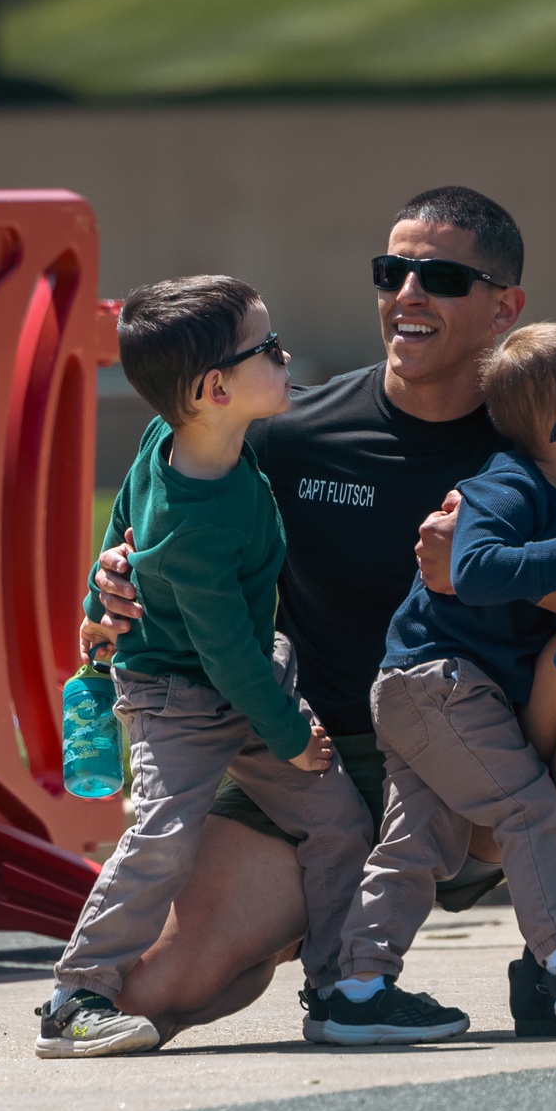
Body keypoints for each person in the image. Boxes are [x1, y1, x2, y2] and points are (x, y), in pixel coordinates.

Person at [93, 187, 556, 1043]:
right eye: (393, 271)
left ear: (504, 307)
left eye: (443, 277)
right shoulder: (289, 430)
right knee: (164, 989)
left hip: (489, 760)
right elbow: (162, 513)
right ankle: (331, 938)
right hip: (319, 768)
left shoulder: (548, 439)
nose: (408, 294)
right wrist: (119, 575)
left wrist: (487, 573)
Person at [323, 322, 556, 1044]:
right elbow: (472, 570)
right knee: (528, 808)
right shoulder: (503, 485)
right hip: (432, 682)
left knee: (414, 847)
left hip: (457, 693)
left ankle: (358, 988)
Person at [36, 276, 371, 1057]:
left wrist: (106, 568)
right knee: (164, 837)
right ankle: (75, 995)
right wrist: (289, 734)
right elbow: (228, 656)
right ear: (218, 388)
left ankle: (337, 987)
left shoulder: (171, 438)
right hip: (183, 699)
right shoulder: (199, 522)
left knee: (338, 821)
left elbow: (122, 515)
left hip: (239, 688)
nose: (285, 355)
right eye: (269, 348)